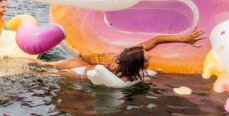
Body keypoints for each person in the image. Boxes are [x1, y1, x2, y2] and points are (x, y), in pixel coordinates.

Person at [43, 28, 206, 82]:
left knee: (42, 66)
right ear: (138, 65)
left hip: (78, 65)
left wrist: (184, 39)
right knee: (38, 73)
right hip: (77, 74)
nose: (151, 58)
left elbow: (157, 40)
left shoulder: (126, 55)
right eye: (147, 59)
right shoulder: (125, 78)